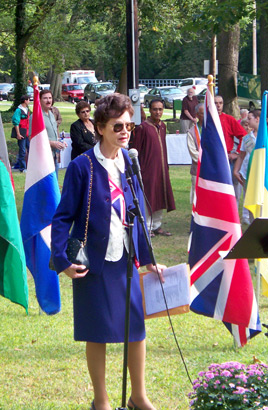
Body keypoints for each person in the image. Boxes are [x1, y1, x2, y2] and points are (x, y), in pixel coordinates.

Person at [51, 94, 165, 410]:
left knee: (136, 328)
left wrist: (148, 259)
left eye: (128, 125)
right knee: (96, 331)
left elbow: (138, 212)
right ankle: (100, 400)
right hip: (91, 261)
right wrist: (63, 261)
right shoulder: (81, 167)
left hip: (126, 260)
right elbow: (62, 218)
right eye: (118, 126)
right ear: (101, 127)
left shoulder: (130, 162)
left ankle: (138, 396)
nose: (125, 131)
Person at [130, 99, 176, 237]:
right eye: (155, 109)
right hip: (147, 168)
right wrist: (137, 169)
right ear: (150, 110)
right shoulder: (143, 128)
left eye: (160, 109)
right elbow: (135, 150)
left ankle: (157, 225)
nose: (158, 112)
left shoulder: (162, 126)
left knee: (160, 195)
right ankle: (147, 226)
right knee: (148, 197)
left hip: (161, 167)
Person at [233, 109, 260, 224]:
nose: (247, 121)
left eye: (250, 118)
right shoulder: (247, 138)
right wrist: (236, 170)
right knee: (248, 195)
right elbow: (242, 155)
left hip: (261, 171)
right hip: (247, 171)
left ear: (257, 119)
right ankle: (248, 218)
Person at [31, 89, 67, 176]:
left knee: (54, 182)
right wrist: (52, 143)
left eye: (50, 98)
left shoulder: (51, 114)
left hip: (54, 155)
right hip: (43, 157)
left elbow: (52, 134)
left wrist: (60, 142)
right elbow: (32, 139)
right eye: (45, 98)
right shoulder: (36, 117)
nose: (48, 100)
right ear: (39, 100)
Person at [187, 103, 203, 203]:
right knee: (196, 196)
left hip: (212, 169)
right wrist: (207, 160)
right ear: (197, 115)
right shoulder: (191, 132)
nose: (205, 116)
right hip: (197, 169)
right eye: (202, 114)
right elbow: (193, 152)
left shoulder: (213, 129)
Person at [12, 94, 30, 172]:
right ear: (25, 101)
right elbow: (16, 122)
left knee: (30, 149)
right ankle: (22, 168)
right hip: (22, 132)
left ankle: (29, 166)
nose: (29, 101)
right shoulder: (18, 110)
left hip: (27, 132)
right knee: (22, 151)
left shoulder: (27, 109)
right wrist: (18, 134)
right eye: (29, 100)